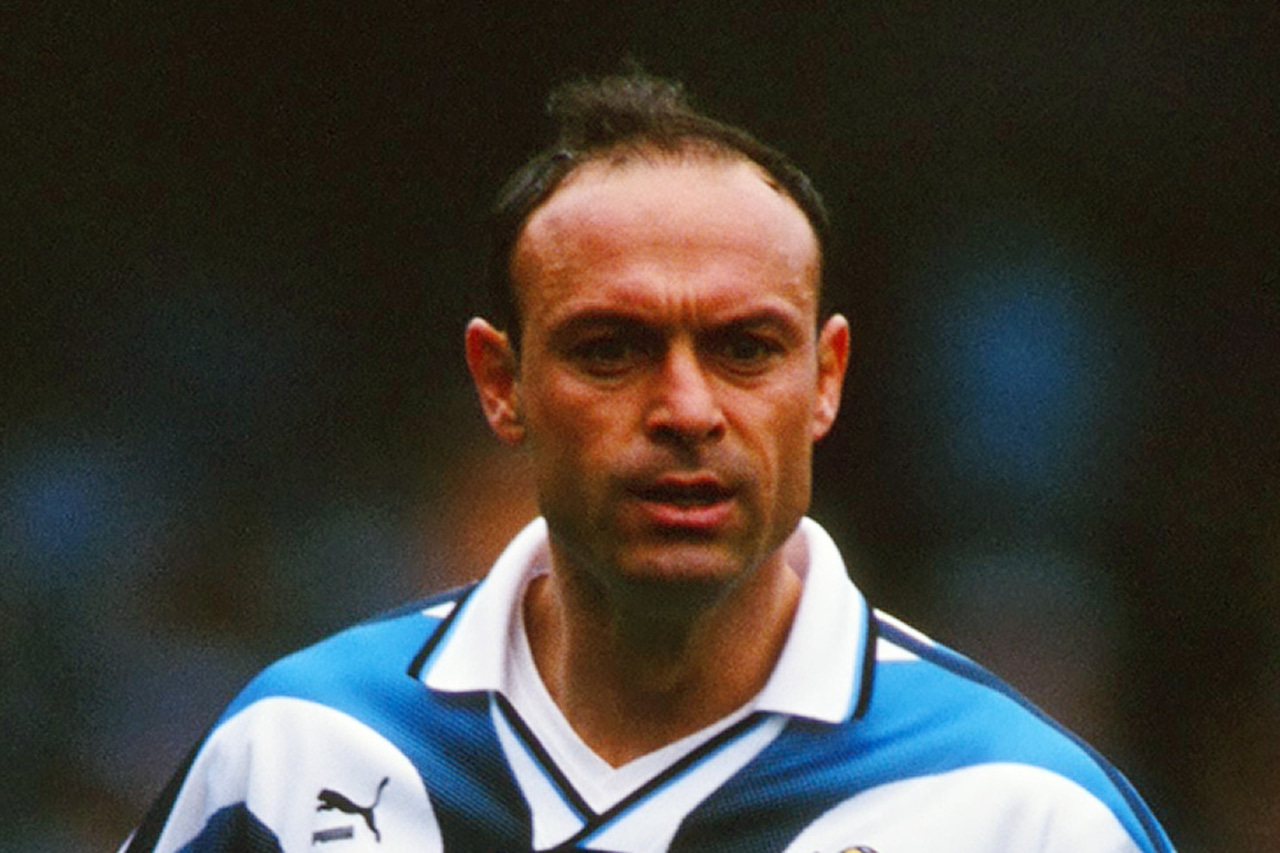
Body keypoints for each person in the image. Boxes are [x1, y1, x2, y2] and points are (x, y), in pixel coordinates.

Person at [120, 73, 1176, 853]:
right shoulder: (294, 755)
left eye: (745, 348)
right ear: (500, 381)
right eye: (609, 349)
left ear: (825, 379)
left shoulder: (1022, 815)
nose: (685, 410)